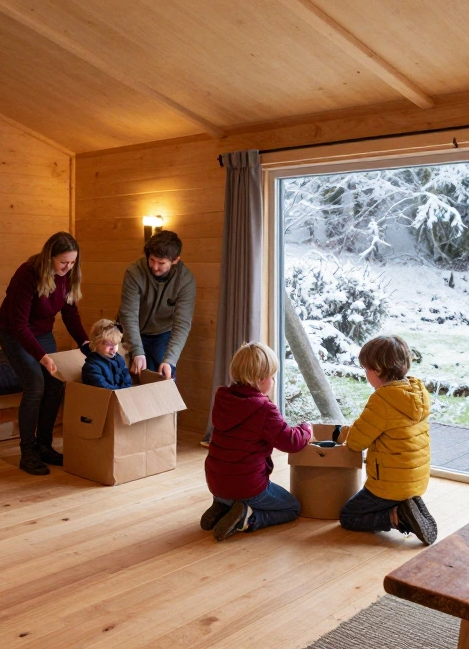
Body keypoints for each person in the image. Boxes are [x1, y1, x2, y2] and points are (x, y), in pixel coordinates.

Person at [0, 232, 90, 476]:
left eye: (72, 263)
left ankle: (44, 446)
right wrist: (42, 356)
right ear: (50, 257)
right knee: (35, 385)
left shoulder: (68, 276)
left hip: (42, 332)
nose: (68, 267)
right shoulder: (27, 274)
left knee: (55, 384)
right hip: (14, 332)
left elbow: (70, 315)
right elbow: (18, 324)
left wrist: (86, 344)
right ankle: (28, 452)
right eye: (63, 262)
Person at [202, 342, 311, 541]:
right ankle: (247, 517)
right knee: (292, 508)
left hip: (215, 481)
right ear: (261, 380)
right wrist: (306, 429)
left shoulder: (223, 398)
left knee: (230, 483)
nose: (273, 380)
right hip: (247, 486)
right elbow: (291, 442)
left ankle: (223, 505)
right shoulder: (263, 409)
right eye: (272, 376)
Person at [339, 335, 437, 545]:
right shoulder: (418, 393)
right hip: (416, 481)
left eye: (366, 370)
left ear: (378, 369)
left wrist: (342, 435)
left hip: (389, 485)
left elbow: (356, 442)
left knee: (348, 516)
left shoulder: (382, 400)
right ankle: (407, 504)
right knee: (381, 497)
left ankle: (397, 516)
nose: (366, 375)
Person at [117, 230, 195, 381]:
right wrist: (137, 351)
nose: (154, 266)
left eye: (161, 263)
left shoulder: (186, 280)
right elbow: (128, 314)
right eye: (152, 260)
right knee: (129, 377)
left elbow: (182, 324)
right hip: (132, 330)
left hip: (162, 334)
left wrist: (170, 361)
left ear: (175, 260)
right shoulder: (134, 272)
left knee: (165, 377)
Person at [81, 319, 133, 390]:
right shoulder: (91, 367)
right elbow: (104, 389)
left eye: (116, 344)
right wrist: (120, 392)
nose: (113, 348)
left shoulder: (119, 359)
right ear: (96, 343)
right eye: (109, 344)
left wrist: (125, 390)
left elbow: (126, 378)